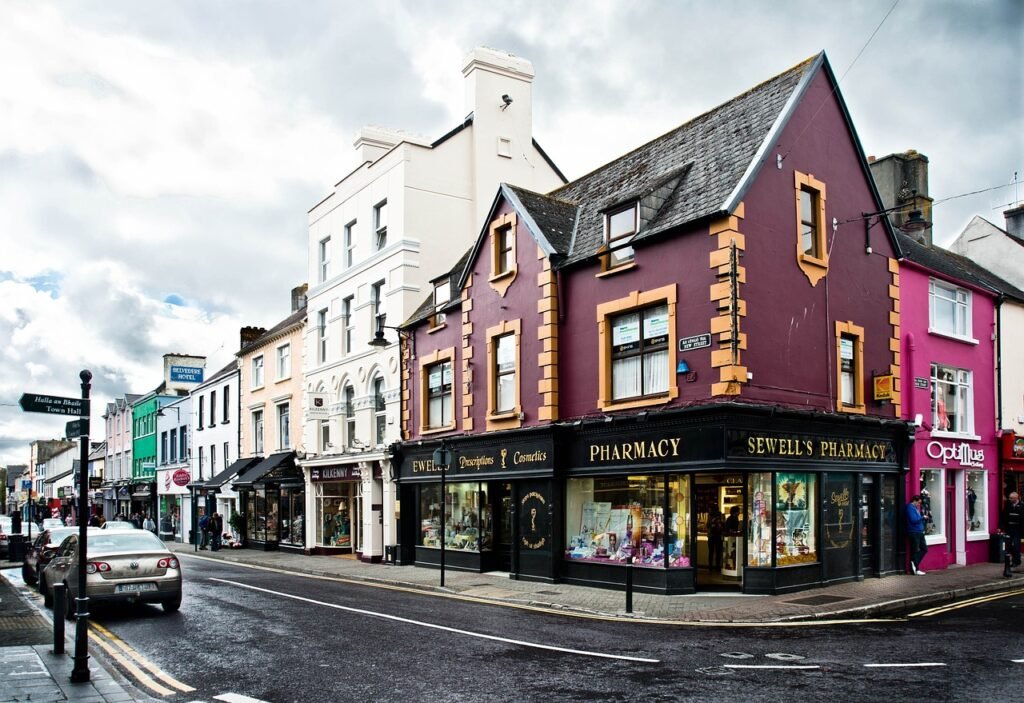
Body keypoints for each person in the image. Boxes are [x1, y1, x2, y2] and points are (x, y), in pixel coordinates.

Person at [997, 491, 1023, 577]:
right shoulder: (1008, 505)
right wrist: (1000, 527)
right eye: (1009, 498)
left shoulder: (1022, 506)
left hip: (1018, 530)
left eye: (1011, 498)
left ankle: (1016, 561)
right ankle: (1016, 560)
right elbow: (1003, 516)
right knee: (1009, 546)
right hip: (1009, 529)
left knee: (1016, 545)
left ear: (1016, 498)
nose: (1010, 499)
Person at [906, 495, 928, 575]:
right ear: (914, 501)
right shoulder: (910, 508)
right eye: (918, 503)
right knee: (915, 550)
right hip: (914, 532)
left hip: (919, 531)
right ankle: (916, 569)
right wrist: (923, 517)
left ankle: (914, 562)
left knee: (924, 549)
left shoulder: (914, 508)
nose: (919, 505)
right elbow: (913, 520)